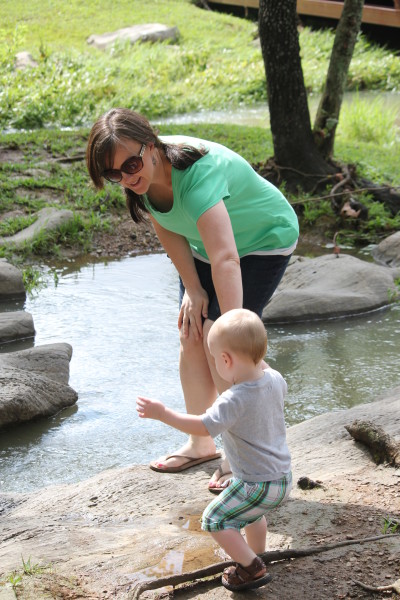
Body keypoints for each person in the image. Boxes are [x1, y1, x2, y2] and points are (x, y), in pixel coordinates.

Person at [86, 107, 299, 491]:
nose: (127, 177)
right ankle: (201, 443)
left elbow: (227, 258)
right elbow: (166, 225)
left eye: (131, 164)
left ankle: (242, 457)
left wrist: (231, 331)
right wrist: (193, 288)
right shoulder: (143, 178)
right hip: (209, 245)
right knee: (191, 331)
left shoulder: (197, 172)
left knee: (222, 339)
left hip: (263, 240)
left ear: (151, 146)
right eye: (113, 174)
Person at [136, 308, 292, 592]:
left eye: (213, 358)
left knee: (214, 519)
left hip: (255, 484)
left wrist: (163, 413)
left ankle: (252, 568)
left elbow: (203, 426)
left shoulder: (233, 399)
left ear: (225, 360)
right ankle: (257, 556)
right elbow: (257, 361)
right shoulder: (276, 379)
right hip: (281, 480)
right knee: (251, 514)